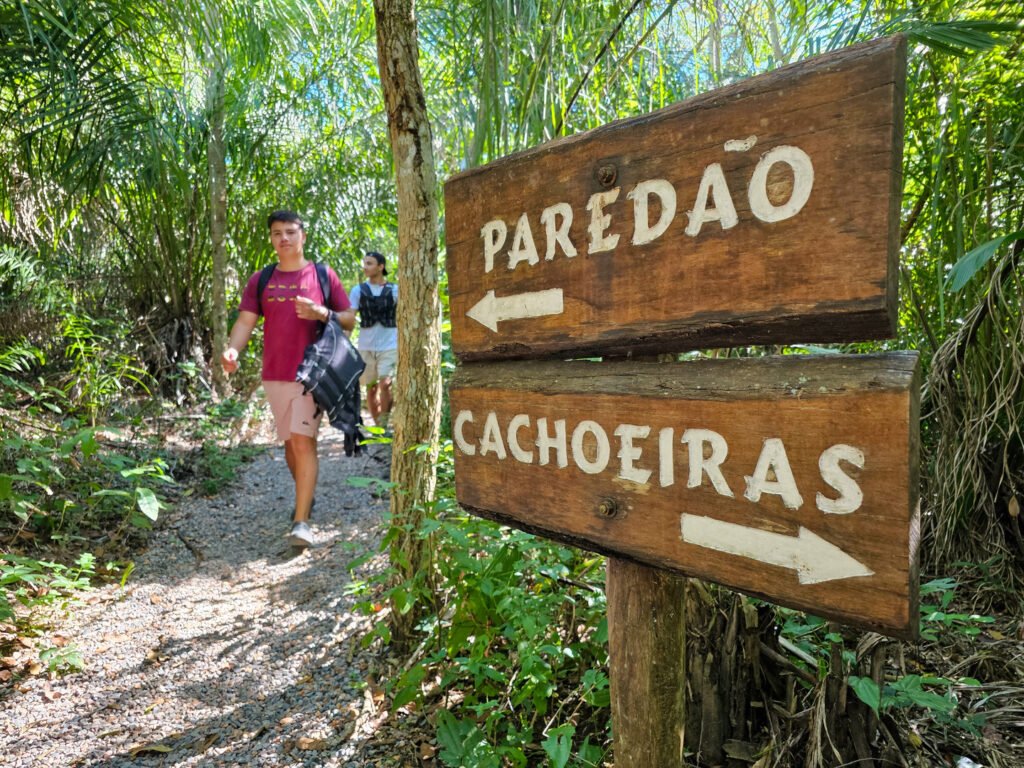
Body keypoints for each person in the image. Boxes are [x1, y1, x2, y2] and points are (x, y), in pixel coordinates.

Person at [220, 210, 355, 549]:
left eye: (291, 232)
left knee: (302, 440)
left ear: (303, 236)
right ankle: (305, 498)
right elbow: (245, 322)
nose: (284, 238)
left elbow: (350, 319)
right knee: (290, 445)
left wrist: (321, 312)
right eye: (277, 233)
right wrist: (232, 351)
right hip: (274, 374)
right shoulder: (261, 279)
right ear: (271, 239)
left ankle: (301, 522)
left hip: (312, 373)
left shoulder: (323, 275)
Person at [348, 251, 398, 431]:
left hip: (390, 344)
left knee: (386, 384)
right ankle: (378, 427)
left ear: (380, 266)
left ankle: (384, 424)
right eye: (365, 263)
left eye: (369, 263)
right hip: (366, 345)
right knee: (371, 388)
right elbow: (350, 317)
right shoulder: (357, 291)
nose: (365, 267)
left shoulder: (394, 290)